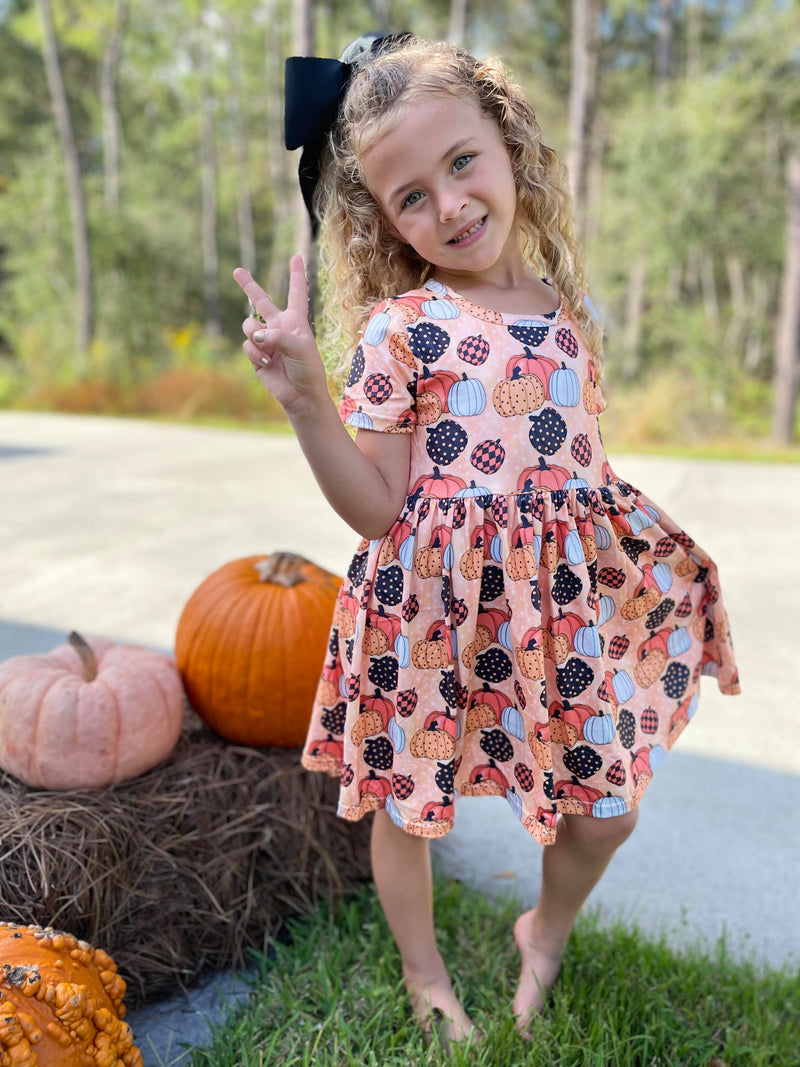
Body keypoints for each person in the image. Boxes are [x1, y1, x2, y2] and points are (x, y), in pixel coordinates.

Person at [233, 34, 740, 1048]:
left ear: (507, 142)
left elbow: (575, 471)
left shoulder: (568, 311)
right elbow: (377, 506)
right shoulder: (400, 329)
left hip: (552, 608)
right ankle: (424, 973)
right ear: (380, 218)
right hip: (425, 607)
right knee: (411, 805)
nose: (448, 205)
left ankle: (541, 928)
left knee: (603, 809)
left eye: (460, 162)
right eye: (408, 195)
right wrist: (302, 403)